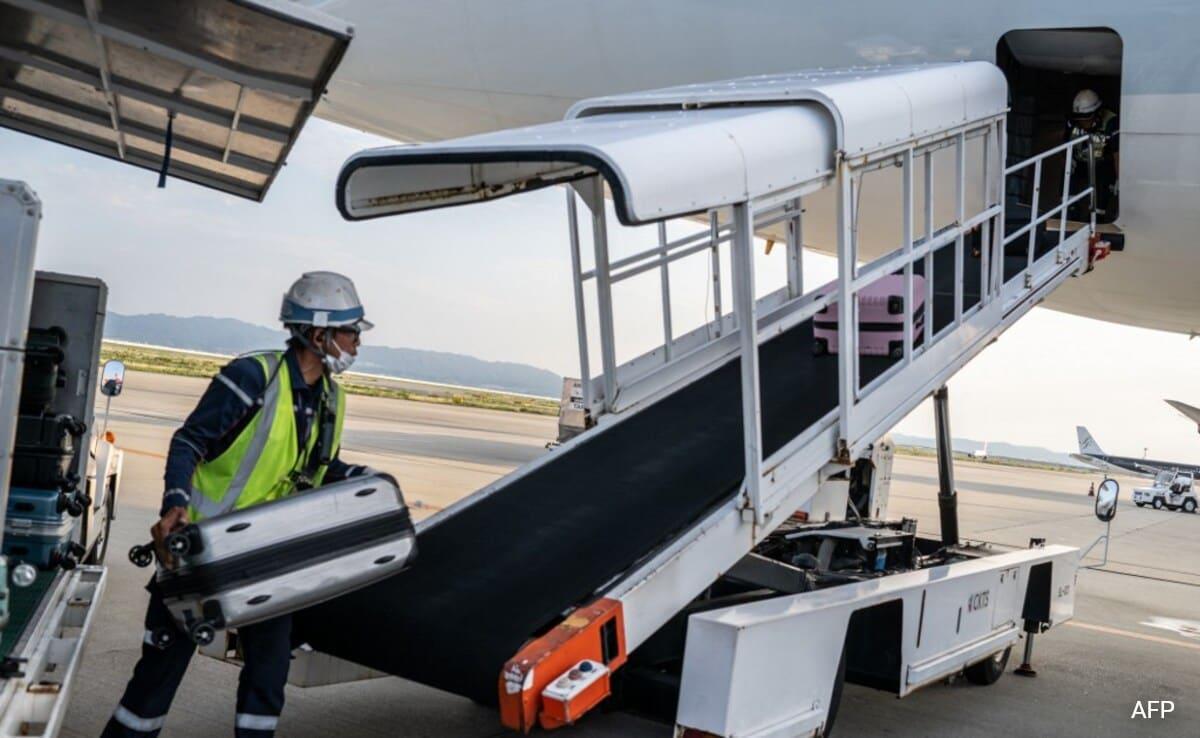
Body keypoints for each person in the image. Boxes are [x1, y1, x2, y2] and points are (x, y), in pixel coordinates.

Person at [102, 272, 376, 738]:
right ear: (318, 334)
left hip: (267, 559)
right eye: (350, 332)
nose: (356, 343)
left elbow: (314, 466)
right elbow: (190, 441)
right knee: (155, 683)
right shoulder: (253, 376)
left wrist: (361, 480)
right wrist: (175, 504)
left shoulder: (332, 397)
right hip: (202, 555)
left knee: (267, 683)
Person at [1066, 89, 1119, 221]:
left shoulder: (1111, 122)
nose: (1083, 123)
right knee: (1068, 172)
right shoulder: (1072, 122)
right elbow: (1064, 145)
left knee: (1104, 176)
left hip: (1102, 164)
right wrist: (1068, 160)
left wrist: (1120, 178)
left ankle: (1097, 215)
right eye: (1080, 119)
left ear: (1097, 113)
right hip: (1081, 162)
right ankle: (1070, 211)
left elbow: (1117, 153)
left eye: (1086, 119)